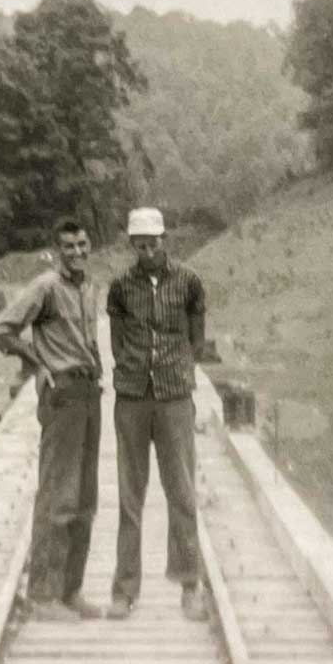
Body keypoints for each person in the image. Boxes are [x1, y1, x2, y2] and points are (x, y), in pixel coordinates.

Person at [0, 219, 104, 621]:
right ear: (57, 252)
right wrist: (38, 362)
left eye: (82, 244)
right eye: (68, 246)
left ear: (90, 247)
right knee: (58, 494)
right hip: (63, 395)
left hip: (90, 394)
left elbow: (86, 341)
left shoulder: (88, 288)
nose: (76, 252)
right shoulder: (45, 287)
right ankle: (41, 595)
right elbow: (2, 328)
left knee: (86, 497)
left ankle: (70, 590)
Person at [103, 206, 209, 622]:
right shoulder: (120, 286)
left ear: (165, 240)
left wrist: (178, 368)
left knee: (181, 492)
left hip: (174, 397)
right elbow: (116, 339)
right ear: (132, 245)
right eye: (140, 244)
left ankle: (189, 584)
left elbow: (197, 339)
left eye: (154, 243)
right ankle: (124, 590)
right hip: (131, 398)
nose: (147, 251)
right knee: (130, 496)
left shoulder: (189, 282)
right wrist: (132, 369)